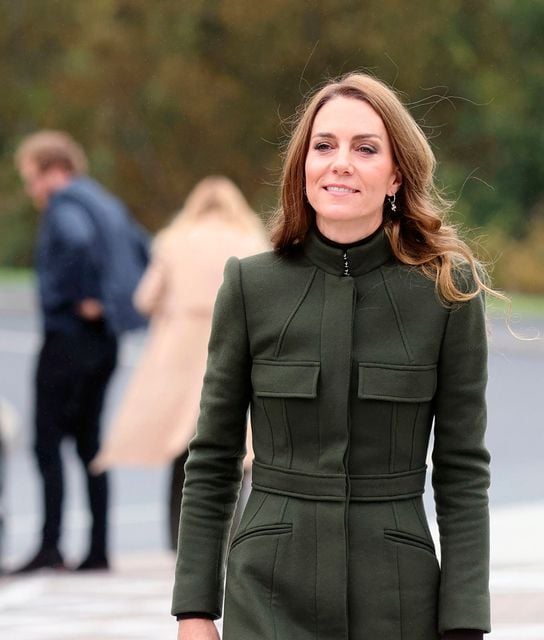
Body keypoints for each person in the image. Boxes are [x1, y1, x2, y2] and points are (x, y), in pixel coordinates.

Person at [172, 72, 492, 640]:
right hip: (266, 595)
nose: (339, 162)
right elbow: (214, 457)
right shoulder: (250, 286)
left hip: (397, 599)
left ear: (396, 174)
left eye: (365, 149)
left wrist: (464, 622)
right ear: (303, 166)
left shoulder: (446, 291)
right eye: (324, 146)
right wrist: (194, 611)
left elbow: (463, 470)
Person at [91, 176, 269, 550]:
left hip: (178, 353)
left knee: (181, 448)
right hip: (235, 344)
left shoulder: (173, 241)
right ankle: (231, 540)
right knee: (235, 448)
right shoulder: (252, 242)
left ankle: (179, 541)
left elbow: (144, 298)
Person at [14, 130, 148, 573]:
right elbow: (144, 250)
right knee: (91, 443)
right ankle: (98, 549)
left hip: (69, 335)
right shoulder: (108, 204)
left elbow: (75, 243)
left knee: (46, 442)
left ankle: (50, 545)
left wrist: (83, 297)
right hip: (106, 339)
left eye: (33, 178)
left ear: (55, 171)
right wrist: (115, 305)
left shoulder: (66, 205)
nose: (32, 190)